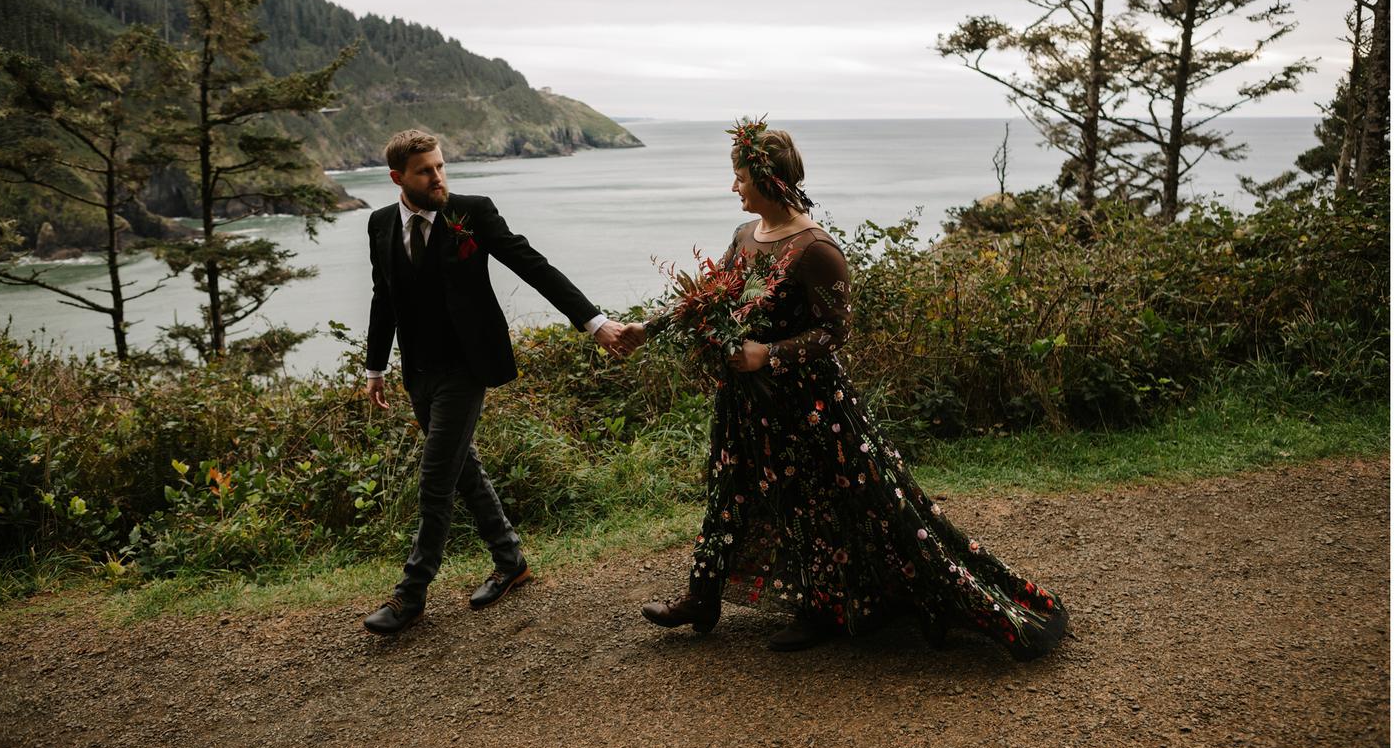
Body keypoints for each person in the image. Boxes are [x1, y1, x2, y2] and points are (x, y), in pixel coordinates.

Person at [619, 119, 1068, 657]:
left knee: (814, 503)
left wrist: (770, 353)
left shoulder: (817, 250)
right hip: (743, 401)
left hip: (806, 404)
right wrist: (648, 328)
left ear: (768, 179)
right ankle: (702, 595)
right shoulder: (744, 237)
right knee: (728, 490)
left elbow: (836, 332)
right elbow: (710, 303)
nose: (732, 187)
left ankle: (826, 609)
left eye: (739, 177)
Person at [361, 129, 625, 635]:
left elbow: (532, 265)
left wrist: (594, 323)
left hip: (467, 367)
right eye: (425, 171)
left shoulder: (472, 212)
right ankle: (511, 561)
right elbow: (383, 297)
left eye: (440, 166)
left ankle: (409, 596)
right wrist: (376, 369)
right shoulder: (378, 225)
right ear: (398, 178)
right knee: (463, 471)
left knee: (435, 479)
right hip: (418, 372)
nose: (438, 177)